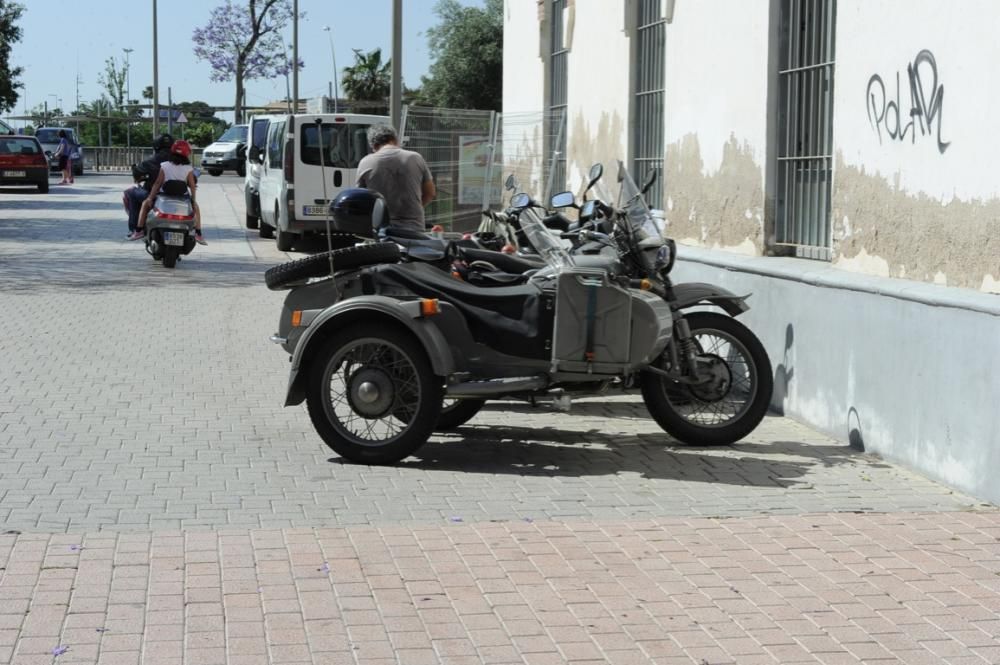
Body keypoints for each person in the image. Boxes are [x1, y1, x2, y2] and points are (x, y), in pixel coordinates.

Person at [356, 124, 436, 233]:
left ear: (373, 145)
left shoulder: (365, 162)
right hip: (414, 229)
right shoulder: (415, 158)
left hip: (382, 230)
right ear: (395, 139)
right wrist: (414, 207)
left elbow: (361, 199)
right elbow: (430, 193)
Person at [128, 140, 206, 245]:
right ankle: (198, 233)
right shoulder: (188, 168)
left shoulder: (165, 165)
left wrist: (150, 198)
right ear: (187, 154)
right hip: (182, 197)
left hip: (164, 196)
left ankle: (138, 231)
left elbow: (157, 183)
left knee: (145, 204)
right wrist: (193, 200)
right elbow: (192, 186)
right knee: (196, 208)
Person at [124, 134, 173, 236]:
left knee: (130, 192)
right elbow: (193, 176)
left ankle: (134, 228)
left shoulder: (150, 161)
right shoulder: (181, 161)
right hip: (176, 196)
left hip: (153, 195)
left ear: (155, 146)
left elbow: (137, 174)